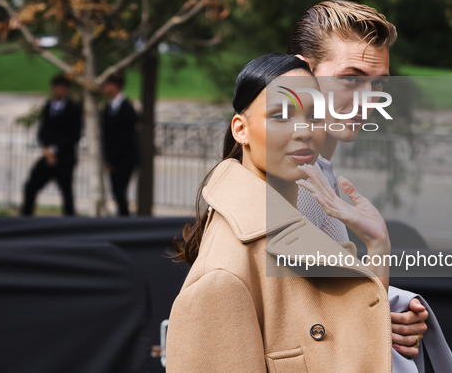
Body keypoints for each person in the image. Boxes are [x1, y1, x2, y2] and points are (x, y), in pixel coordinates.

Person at [167, 54, 393, 372]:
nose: (303, 130)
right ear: (240, 129)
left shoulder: (294, 227)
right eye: (281, 114)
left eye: (314, 115)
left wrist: (378, 246)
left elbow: (351, 346)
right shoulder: (223, 276)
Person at [289, 0, 452, 372]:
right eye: (351, 78)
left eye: (377, 83)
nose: (369, 99)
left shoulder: (317, 172)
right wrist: (379, 311)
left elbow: (319, 300)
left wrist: (390, 310)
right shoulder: (292, 182)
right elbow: (289, 326)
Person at [21, 74, 82, 216]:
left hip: (64, 158)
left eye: (61, 88)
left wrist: (55, 150)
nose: (57, 91)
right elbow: (43, 131)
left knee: (66, 191)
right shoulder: (48, 106)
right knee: (31, 186)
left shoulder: (73, 108)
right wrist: (47, 149)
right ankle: (25, 218)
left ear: (66, 89)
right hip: (48, 155)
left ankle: (69, 222)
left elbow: (74, 135)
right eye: (55, 87)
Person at [100, 74, 139, 216]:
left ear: (114, 86)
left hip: (125, 160)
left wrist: (113, 159)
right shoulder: (108, 107)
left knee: (120, 191)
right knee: (116, 192)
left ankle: (124, 220)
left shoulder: (127, 108)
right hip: (113, 159)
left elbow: (126, 137)